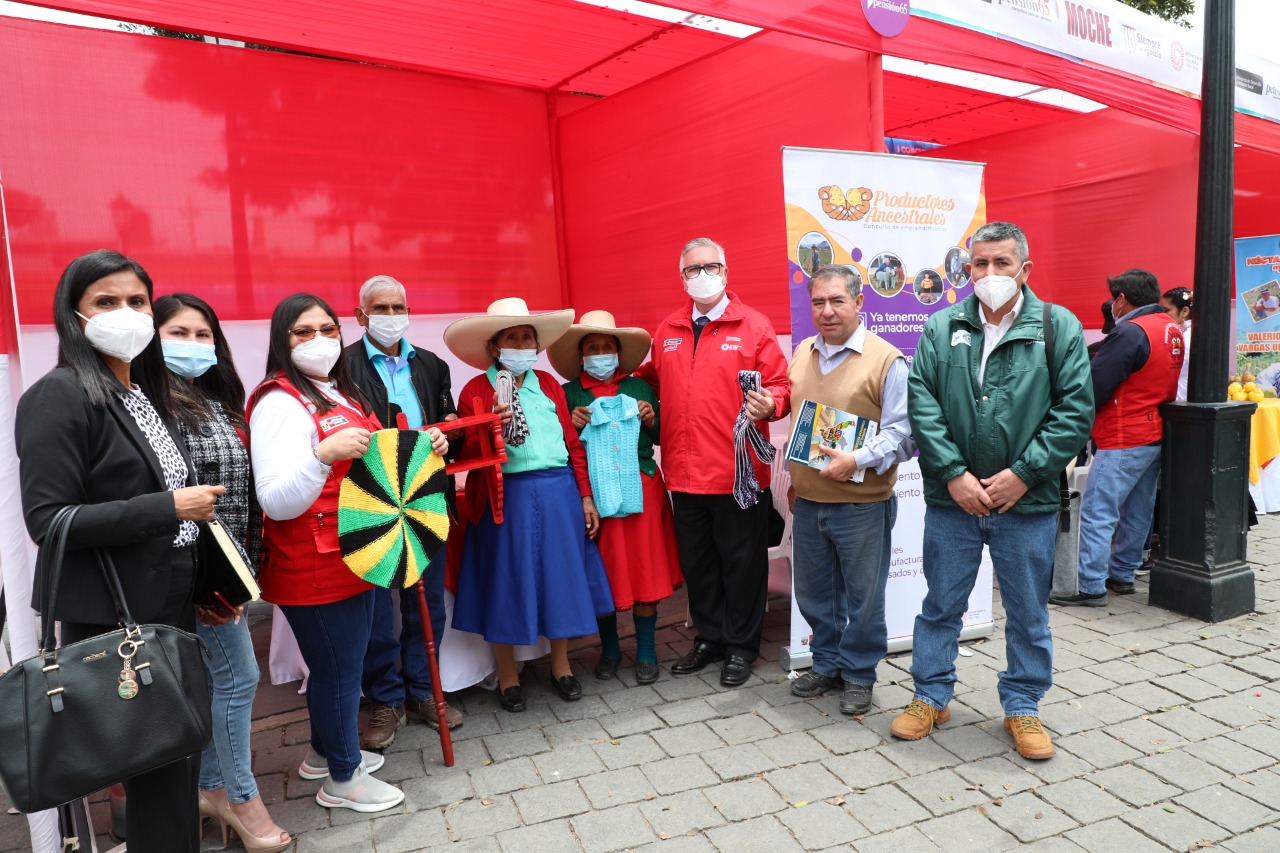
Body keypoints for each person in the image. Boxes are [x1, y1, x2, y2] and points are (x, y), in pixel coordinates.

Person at [15, 250, 228, 852]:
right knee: (156, 771)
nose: (127, 313)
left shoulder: (144, 393)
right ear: (73, 315)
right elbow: (50, 521)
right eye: (106, 302)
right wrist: (170, 509)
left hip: (172, 596)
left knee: (181, 755)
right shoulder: (57, 396)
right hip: (115, 612)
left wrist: (207, 582)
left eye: (137, 301)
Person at [893, 222, 1093, 760]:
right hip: (952, 502)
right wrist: (954, 474)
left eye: (1001, 263)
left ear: (1024, 269)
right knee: (940, 605)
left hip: (1025, 503)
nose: (989, 274)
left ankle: (1023, 705)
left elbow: (1074, 412)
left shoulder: (1058, 327)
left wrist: (1024, 474)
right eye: (979, 264)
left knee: (1028, 610)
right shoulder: (941, 327)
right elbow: (924, 405)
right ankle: (930, 695)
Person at [248, 293, 446, 812]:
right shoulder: (278, 401)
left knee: (341, 667)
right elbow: (275, 500)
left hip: (354, 554)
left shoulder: (337, 393)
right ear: (281, 340)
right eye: (302, 332)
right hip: (311, 563)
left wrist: (420, 444)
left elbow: (372, 459)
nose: (319, 341)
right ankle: (342, 778)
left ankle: (323, 753)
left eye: (327, 330)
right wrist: (319, 457)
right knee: (338, 672)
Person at [154, 293, 289, 851]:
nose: (194, 345)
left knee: (216, 681)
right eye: (178, 333)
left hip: (229, 571)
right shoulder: (151, 405)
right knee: (239, 678)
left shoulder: (217, 399)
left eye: (203, 334)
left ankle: (210, 787)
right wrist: (205, 580)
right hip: (195, 576)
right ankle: (240, 797)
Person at [443, 298, 614, 712]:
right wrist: (488, 429)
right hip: (505, 496)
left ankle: (561, 666)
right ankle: (508, 675)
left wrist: (586, 497)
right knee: (506, 581)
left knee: (561, 579)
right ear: (495, 346)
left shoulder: (549, 385)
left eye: (527, 337)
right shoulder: (476, 390)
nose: (521, 344)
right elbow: (460, 449)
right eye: (512, 337)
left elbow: (572, 446)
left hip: (558, 492)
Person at [634, 238, 790, 687]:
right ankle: (709, 638)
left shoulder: (755, 326)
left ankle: (741, 647)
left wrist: (771, 405)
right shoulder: (666, 331)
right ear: (681, 277)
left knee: (741, 565)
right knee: (699, 564)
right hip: (683, 474)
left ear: (726, 271)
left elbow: (781, 385)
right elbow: (648, 383)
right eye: (692, 269)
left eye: (710, 266)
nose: (701, 274)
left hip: (737, 475)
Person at [785, 266, 915, 714]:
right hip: (809, 501)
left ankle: (859, 673)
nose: (827, 311)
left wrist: (855, 460)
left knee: (863, 599)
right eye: (818, 302)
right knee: (816, 596)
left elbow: (904, 435)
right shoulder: (802, 351)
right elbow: (799, 413)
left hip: (863, 505)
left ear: (860, 303)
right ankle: (826, 664)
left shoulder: (887, 360)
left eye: (837, 301)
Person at [344, 275, 465, 749]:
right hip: (372, 502)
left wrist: (447, 431)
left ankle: (421, 690)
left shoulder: (430, 364)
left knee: (426, 604)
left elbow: (448, 419)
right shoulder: (343, 366)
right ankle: (384, 698)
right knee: (376, 609)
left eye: (399, 306)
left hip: (427, 499)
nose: (391, 315)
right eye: (382, 307)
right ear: (360, 316)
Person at [547, 310, 682, 685]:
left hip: (644, 488)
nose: (601, 353)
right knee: (601, 573)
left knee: (645, 569)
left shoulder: (640, 388)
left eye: (608, 346)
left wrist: (652, 419)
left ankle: (646, 650)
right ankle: (609, 649)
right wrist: (568, 425)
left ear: (619, 353)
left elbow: (662, 440)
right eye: (594, 347)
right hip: (594, 494)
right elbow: (557, 446)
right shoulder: (567, 393)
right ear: (582, 355)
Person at [1051, 270, 1183, 606]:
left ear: (1121, 299)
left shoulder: (1130, 331)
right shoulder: (1171, 328)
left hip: (1124, 435)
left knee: (1098, 511)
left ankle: (1091, 586)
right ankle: (1123, 575)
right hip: (1154, 432)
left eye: (1113, 299)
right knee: (1138, 510)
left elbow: (1094, 386)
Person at [1160, 287, 1192, 401]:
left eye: (1166, 310)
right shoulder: (1186, 333)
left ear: (1185, 311)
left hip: (1179, 401)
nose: (1161, 315)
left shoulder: (1183, 338)